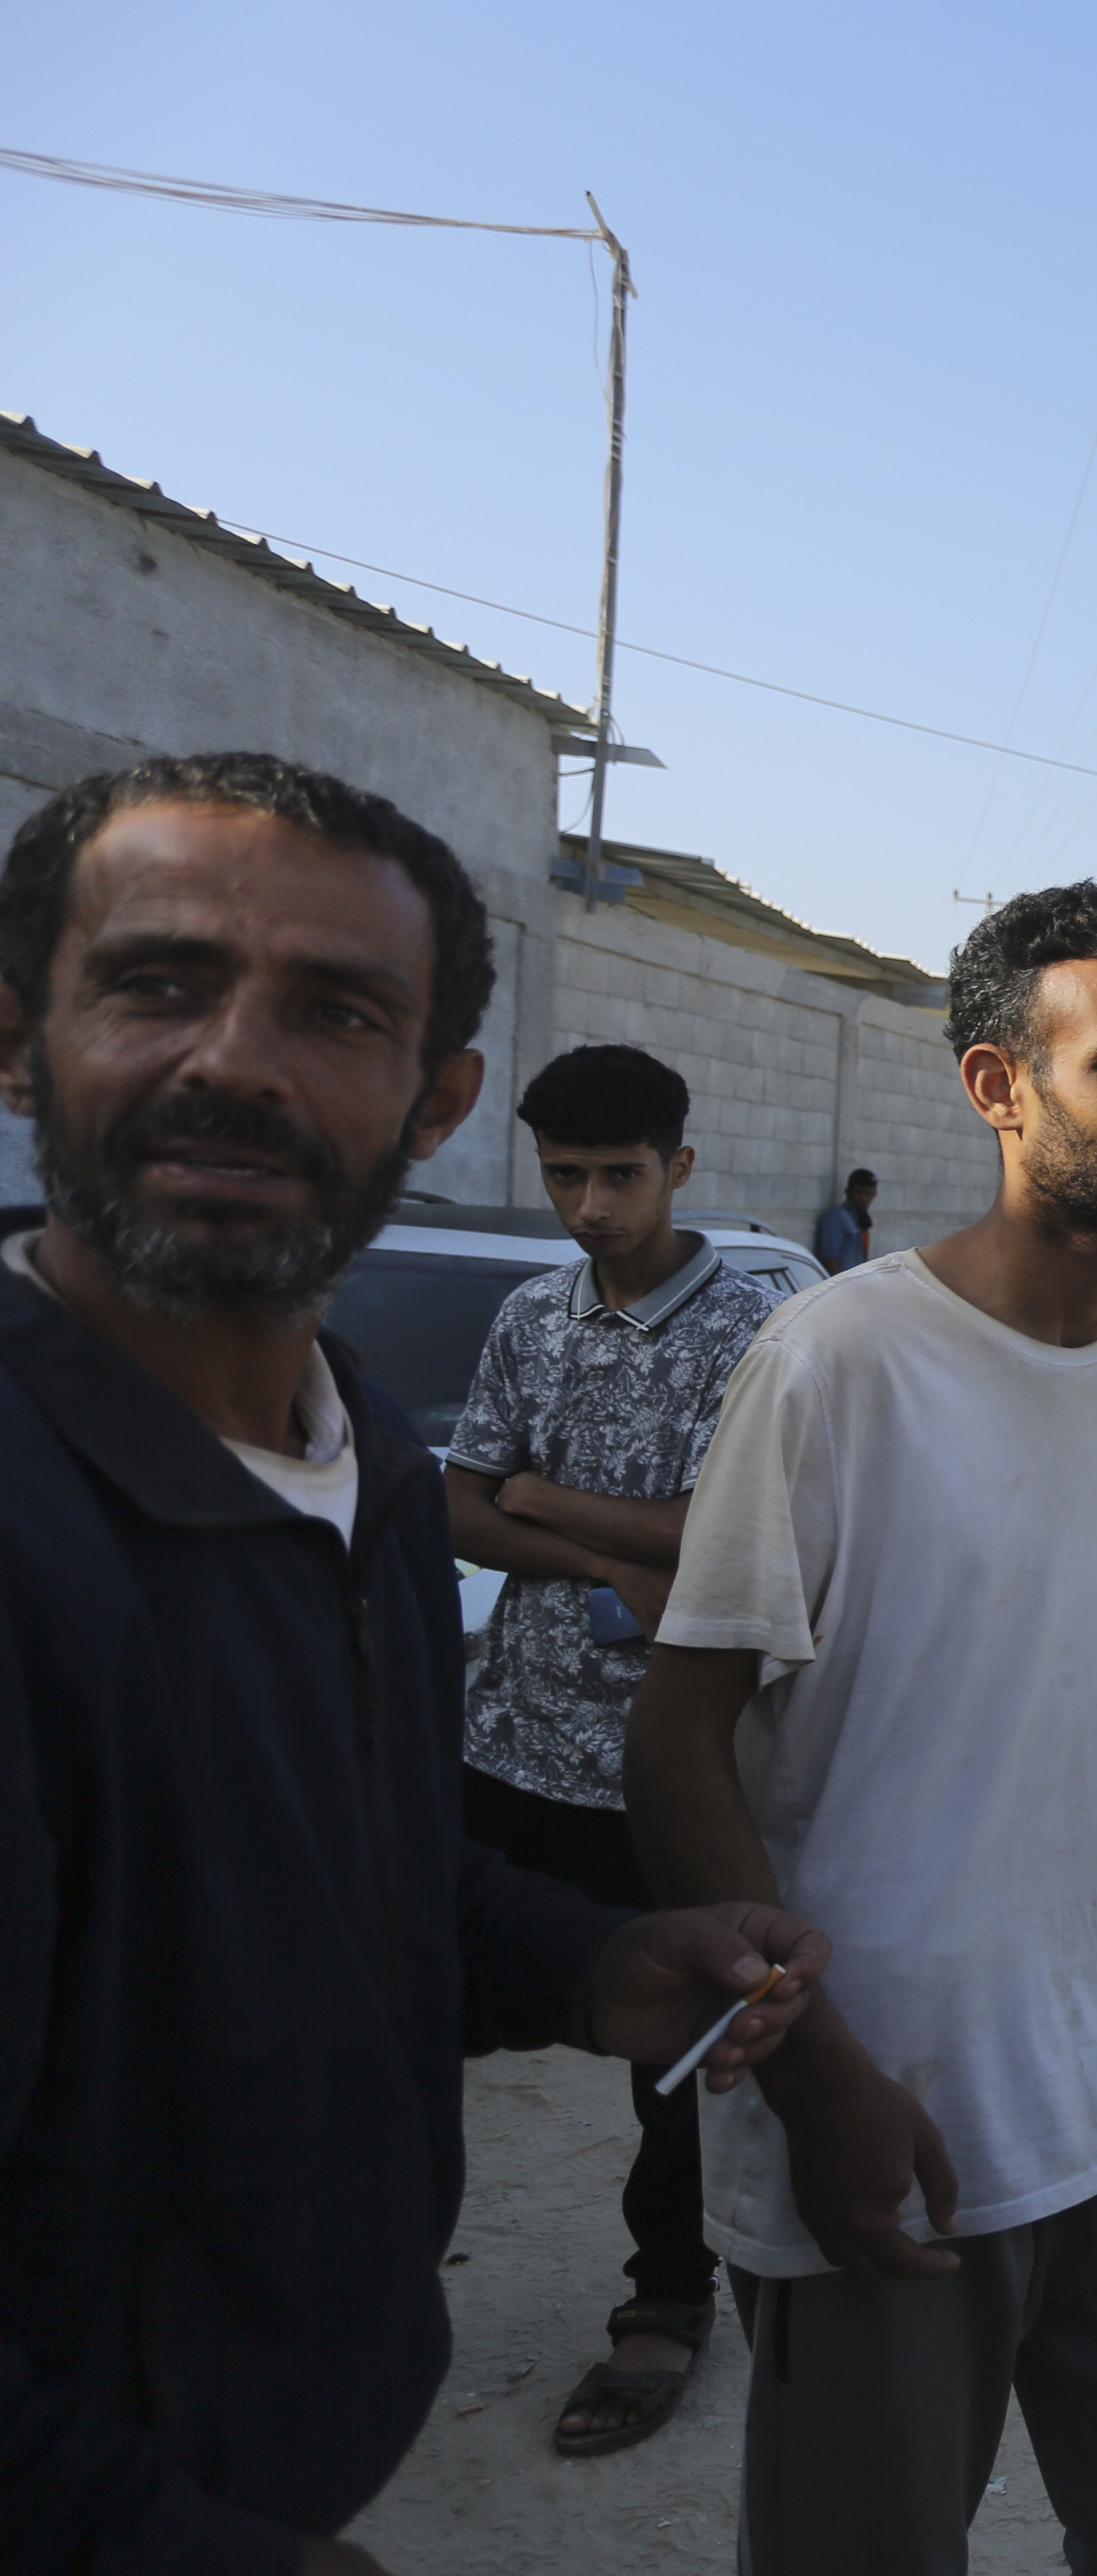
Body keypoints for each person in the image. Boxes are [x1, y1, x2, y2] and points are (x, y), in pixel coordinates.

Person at [0, 752, 825, 2575]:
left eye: (337, 1011)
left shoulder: (354, 1451)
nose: (235, 1058)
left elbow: (349, 1885)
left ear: (432, 1098)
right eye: (153, 984)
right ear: (16, 1038)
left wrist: (596, 1960)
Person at [624, 881, 1097, 2576]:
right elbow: (676, 1744)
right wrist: (822, 2082)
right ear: (997, 1085)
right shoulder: (837, 1363)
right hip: (893, 2115)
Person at [448, 1042, 786, 2455]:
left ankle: (665, 2306)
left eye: (619, 1176)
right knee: (417, 2009)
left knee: (681, 2057)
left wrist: (544, 1490)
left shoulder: (766, 1323)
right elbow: (457, 1505)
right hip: (510, 1744)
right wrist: (588, 1527)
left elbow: (751, 1533)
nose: (590, 1206)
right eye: (565, 1176)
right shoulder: (531, 1314)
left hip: (674, 1764)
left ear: (681, 1168)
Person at [813, 1167, 876, 1275]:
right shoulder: (836, 1218)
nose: (863, 1199)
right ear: (848, 1192)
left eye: (868, 1194)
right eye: (859, 1193)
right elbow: (829, 1259)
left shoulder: (861, 1221)